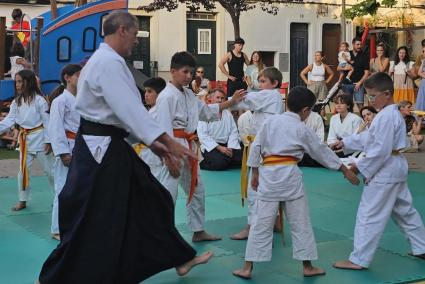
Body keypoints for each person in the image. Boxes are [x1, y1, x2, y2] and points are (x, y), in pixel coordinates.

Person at [38, 11, 213, 284]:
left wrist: (156, 146)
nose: (136, 41)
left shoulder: (108, 61)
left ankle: (181, 257)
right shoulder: (108, 63)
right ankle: (53, 277)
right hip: (101, 150)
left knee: (151, 199)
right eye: (134, 34)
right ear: (122, 30)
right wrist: (166, 143)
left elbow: (124, 115)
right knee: (90, 215)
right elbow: (130, 110)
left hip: (109, 145)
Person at [232, 86, 359, 280]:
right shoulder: (301, 128)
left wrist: (255, 172)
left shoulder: (271, 121)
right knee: (301, 223)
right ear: (306, 110)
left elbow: (256, 146)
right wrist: (343, 169)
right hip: (290, 177)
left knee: (260, 222)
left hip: (269, 177)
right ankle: (307, 266)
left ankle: (247, 267)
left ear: (287, 103)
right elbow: (320, 151)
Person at [148, 51, 246, 242]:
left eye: (191, 72)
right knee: (168, 191)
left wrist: (232, 102)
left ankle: (198, 230)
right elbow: (161, 129)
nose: (189, 76)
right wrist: (168, 157)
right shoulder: (166, 97)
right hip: (172, 145)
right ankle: (161, 234)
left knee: (197, 188)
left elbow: (207, 112)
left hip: (188, 145)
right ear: (173, 71)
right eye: (185, 72)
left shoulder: (189, 94)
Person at [332, 72, 425, 270]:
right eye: (368, 96)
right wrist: (345, 142)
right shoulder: (388, 114)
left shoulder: (386, 116)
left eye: (373, 96)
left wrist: (359, 167)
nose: (371, 100)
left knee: (369, 214)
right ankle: (422, 247)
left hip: (385, 170)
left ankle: (359, 259)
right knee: (405, 211)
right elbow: (370, 139)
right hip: (395, 166)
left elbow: (379, 150)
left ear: (388, 93)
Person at [230, 67, 285, 240]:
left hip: (263, 149)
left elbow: (246, 100)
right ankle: (275, 220)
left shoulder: (270, 95)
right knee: (270, 186)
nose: (260, 85)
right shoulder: (274, 99)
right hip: (270, 148)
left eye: (263, 82)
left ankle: (251, 226)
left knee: (254, 188)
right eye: (259, 81)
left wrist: (231, 100)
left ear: (275, 83)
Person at [0, 70, 54, 211]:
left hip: (41, 139)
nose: (17, 85)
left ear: (28, 82)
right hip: (25, 141)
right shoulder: (16, 102)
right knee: (22, 172)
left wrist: (48, 141)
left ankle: (59, 198)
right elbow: (9, 121)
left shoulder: (40, 101)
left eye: (19, 81)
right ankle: (22, 200)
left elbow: (47, 122)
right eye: (16, 82)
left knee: (50, 171)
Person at [48, 64, 82, 241]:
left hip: (81, 146)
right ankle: (57, 228)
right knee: (62, 187)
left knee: (80, 188)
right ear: (67, 78)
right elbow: (55, 128)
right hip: (68, 146)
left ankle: (75, 224)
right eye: (77, 75)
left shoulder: (82, 100)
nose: (81, 78)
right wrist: (62, 152)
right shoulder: (60, 101)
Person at [198, 89, 242, 171]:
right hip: (212, 147)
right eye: (217, 97)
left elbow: (233, 131)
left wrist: (231, 147)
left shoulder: (227, 114)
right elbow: (203, 135)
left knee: (241, 159)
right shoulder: (205, 113)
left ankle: (225, 161)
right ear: (211, 98)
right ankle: (204, 164)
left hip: (227, 145)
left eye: (222, 98)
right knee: (219, 163)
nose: (220, 100)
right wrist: (219, 148)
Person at [338, 37, 370, 110]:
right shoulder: (347, 53)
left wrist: (359, 83)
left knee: (360, 105)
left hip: (358, 84)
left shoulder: (364, 56)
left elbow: (367, 72)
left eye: (360, 44)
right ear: (353, 45)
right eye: (357, 44)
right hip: (346, 84)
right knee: (347, 106)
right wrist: (346, 68)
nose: (359, 46)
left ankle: (364, 121)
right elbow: (338, 68)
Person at [327, 92, 362, 157]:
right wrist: (332, 144)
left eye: (342, 103)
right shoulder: (333, 118)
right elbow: (331, 137)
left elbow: (357, 139)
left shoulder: (356, 119)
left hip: (351, 150)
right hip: (336, 147)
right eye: (337, 103)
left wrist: (343, 143)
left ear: (348, 105)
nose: (338, 105)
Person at [415, 44, 425, 112]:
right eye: (423, 51)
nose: (424, 53)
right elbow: (419, 73)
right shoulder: (423, 61)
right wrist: (422, 63)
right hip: (423, 85)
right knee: (421, 102)